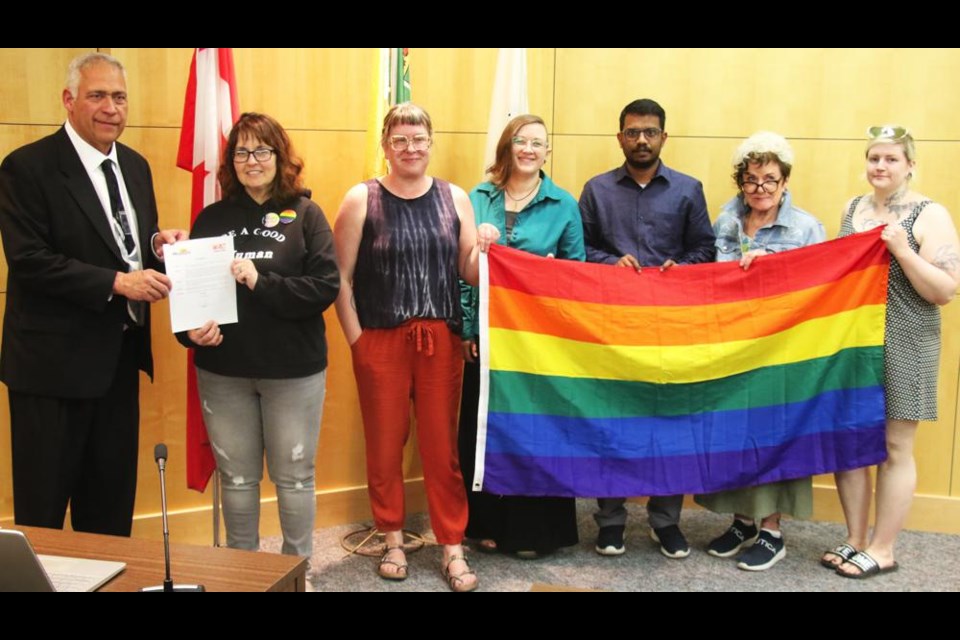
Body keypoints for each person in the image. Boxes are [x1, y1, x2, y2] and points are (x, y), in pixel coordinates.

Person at [0, 52, 187, 536]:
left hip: (118, 363)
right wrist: (117, 282)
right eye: (98, 95)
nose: (111, 107)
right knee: (42, 515)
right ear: (69, 100)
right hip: (52, 370)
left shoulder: (136, 165)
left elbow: (124, 243)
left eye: (119, 96)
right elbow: (30, 260)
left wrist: (156, 246)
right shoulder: (27, 167)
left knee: (109, 511)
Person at [334, 103, 498, 592]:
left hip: (440, 342)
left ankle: (451, 546)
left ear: (431, 142)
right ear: (386, 146)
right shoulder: (361, 198)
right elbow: (339, 278)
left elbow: (469, 271)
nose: (410, 148)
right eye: (400, 140)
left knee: (441, 448)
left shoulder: (456, 198)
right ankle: (392, 539)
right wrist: (357, 341)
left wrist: (484, 243)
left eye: (418, 139)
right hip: (380, 340)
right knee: (385, 445)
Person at [175, 113, 339, 558]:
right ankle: (242, 572)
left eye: (262, 150)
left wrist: (258, 282)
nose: (252, 160)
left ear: (279, 157)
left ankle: (296, 573)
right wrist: (191, 334)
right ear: (231, 160)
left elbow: (325, 287)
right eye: (242, 151)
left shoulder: (307, 215)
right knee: (239, 479)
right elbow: (190, 298)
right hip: (224, 372)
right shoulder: (211, 219)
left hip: (292, 373)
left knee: (294, 477)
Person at [579, 98, 715, 559]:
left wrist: (684, 265)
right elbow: (581, 250)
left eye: (650, 132)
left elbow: (706, 248)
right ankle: (611, 521)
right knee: (612, 422)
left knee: (669, 424)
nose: (641, 139)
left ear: (663, 137)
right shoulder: (596, 190)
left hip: (670, 327)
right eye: (633, 132)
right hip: (613, 325)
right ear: (620, 137)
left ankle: (666, 522)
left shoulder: (687, 189)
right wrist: (609, 261)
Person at [823, 125, 959, 579]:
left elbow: (945, 290)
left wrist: (902, 250)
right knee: (852, 442)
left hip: (906, 339)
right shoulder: (852, 208)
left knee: (895, 446)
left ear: (910, 165)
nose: (880, 166)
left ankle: (883, 549)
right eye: (874, 158)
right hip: (856, 343)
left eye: (891, 159)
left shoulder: (929, 213)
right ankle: (855, 539)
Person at [694, 131, 826, 571]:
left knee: (772, 435)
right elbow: (712, 280)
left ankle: (772, 530)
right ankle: (743, 520)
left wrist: (771, 272)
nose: (760, 190)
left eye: (770, 180)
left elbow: (819, 288)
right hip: (732, 346)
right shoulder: (725, 222)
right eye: (751, 180)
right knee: (733, 432)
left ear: (785, 181)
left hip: (780, 349)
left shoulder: (806, 227)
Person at [458, 114, 585, 558]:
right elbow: (461, 273)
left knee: (537, 431)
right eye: (522, 141)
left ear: (547, 152)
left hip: (538, 341)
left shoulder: (563, 204)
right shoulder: (476, 198)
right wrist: (469, 327)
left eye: (538, 143)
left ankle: (535, 531)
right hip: (487, 338)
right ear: (507, 146)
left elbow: (576, 275)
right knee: (485, 429)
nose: (530, 149)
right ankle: (486, 524)